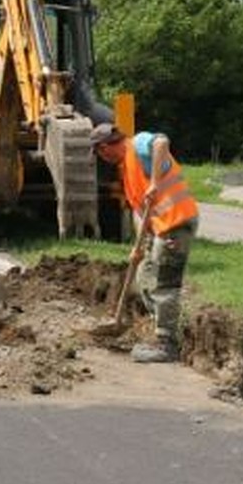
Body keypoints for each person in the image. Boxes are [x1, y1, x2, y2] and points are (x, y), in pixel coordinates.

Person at [90, 122, 199, 363]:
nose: (100, 157)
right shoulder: (126, 169)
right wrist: (139, 246)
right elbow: (141, 211)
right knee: (144, 276)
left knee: (164, 283)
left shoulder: (137, 145)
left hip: (177, 224)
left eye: (98, 152)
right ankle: (162, 326)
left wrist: (155, 182)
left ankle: (167, 344)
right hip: (160, 229)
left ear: (106, 147)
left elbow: (162, 141)